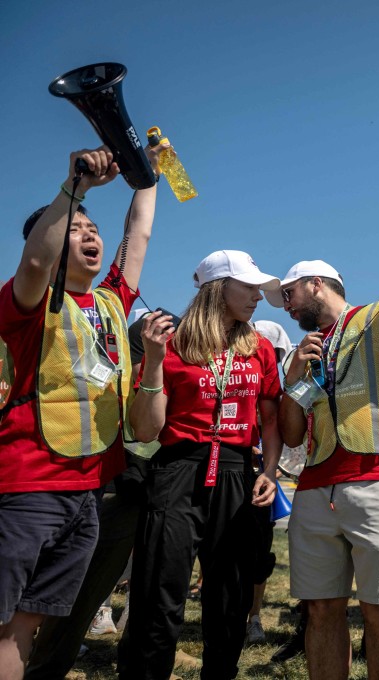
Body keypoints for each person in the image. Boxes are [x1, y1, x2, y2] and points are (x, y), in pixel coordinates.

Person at [0, 145, 162, 680]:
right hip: (28, 488)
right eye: (76, 229)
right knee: (5, 624)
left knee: (29, 620)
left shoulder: (112, 302)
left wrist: (147, 173)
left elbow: (136, 235)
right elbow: (35, 262)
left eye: (92, 228)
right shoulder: (28, 301)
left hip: (86, 493)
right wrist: (75, 189)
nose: (90, 234)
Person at [121, 250, 283, 679]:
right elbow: (145, 430)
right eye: (248, 287)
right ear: (218, 288)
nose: (257, 297)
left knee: (229, 596)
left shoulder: (260, 347)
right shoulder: (171, 344)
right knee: (159, 592)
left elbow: (270, 419)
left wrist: (269, 470)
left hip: (237, 472)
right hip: (178, 469)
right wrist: (153, 363)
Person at [272, 260, 379, 680]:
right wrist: (292, 378)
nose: (284, 307)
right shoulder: (303, 348)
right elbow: (290, 435)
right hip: (316, 483)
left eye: (289, 295)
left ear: (316, 284)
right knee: (321, 608)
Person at [25, 310, 180, 680]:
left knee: (146, 582)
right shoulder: (122, 370)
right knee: (82, 586)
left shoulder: (172, 365)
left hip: (155, 487)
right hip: (117, 486)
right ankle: (44, 664)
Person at [245, 319, 293, 645]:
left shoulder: (285, 383)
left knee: (259, 552)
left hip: (264, 474)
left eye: (276, 351)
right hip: (237, 467)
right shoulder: (243, 365)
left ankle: (253, 617)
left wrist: (271, 465)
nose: (270, 356)